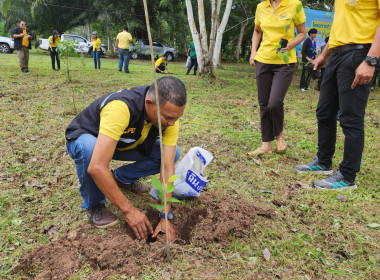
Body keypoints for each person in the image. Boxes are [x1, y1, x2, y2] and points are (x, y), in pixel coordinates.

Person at [65, 76, 186, 242]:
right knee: (89, 149)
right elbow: (97, 166)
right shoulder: (121, 108)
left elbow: (167, 166)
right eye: (167, 118)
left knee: (173, 153)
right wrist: (129, 210)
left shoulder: (170, 116)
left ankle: (121, 178)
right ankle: (94, 206)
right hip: (89, 139)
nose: (172, 123)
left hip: (124, 143)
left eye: (176, 118)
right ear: (149, 103)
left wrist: (165, 215)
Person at [294, 0, 380, 190]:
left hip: (360, 53)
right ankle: (324, 161)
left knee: (350, 117)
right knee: (324, 112)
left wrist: (371, 60)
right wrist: (324, 55)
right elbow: (338, 28)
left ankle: (347, 176)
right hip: (335, 55)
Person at [245, 0, 307, 156]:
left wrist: (290, 45)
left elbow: (302, 33)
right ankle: (266, 145)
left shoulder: (294, 5)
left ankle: (279, 135)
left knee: (274, 102)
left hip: (285, 62)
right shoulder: (261, 7)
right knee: (264, 103)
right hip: (263, 60)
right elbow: (257, 30)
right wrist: (253, 51)